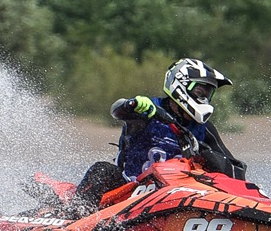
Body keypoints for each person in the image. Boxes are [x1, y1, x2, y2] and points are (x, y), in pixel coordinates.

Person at [71, 58, 247, 212]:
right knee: (103, 170)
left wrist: (206, 155)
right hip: (130, 192)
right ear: (181, 85)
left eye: (208, 95)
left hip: (181, 195)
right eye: (200, 93)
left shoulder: (204, 129)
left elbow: (237, 171)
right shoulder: (148, 112)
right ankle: (72, 218)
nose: (204, 100)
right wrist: (133, 105)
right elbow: (118, 111)